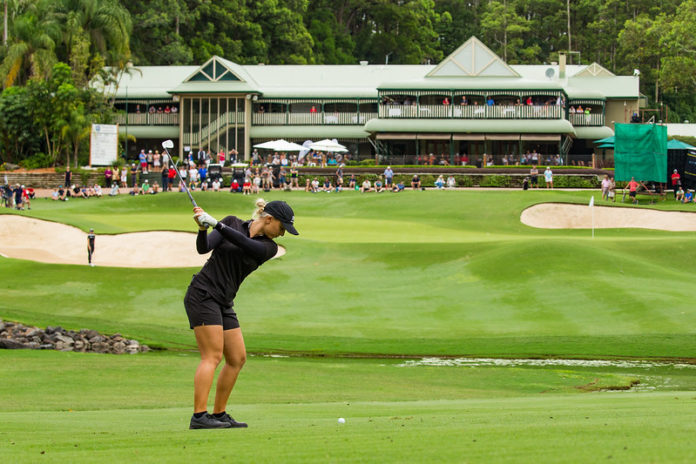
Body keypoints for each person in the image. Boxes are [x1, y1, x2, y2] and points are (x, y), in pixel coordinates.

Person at [185, 199, 298, 429]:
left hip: (224, 301)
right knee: (212, 356)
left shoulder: (268, 247)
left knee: (237, 358)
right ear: (269, 219)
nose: (282, 233)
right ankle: (199, 416)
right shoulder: (231, 223)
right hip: (203, 293)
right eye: (282, 227)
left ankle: (218, 414)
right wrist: (202, 228)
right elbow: (203, 248)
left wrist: (216, 224)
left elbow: (246, 244)